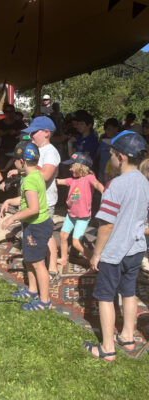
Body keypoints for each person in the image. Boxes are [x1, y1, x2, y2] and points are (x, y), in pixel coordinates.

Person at [83, 131, 149, 362]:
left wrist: (96, 254)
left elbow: (107, 225)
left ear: (121, 157)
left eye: (111, 154)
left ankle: (107, 348)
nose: (110, 158)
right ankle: (128, 336)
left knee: (105, 296)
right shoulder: (145, 182)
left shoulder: (116, 185)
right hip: (136, 248)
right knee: (129, 292)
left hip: (115, 252)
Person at [1, 141, 54, 311]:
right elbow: (25, 200)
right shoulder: (34, 174)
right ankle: (32, 290)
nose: (14, 163)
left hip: (37, 226)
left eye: (15, 160)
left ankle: (44, 301)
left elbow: (33, 208)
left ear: (22, 161)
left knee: (38, 263)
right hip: (33, 225)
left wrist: (13, 218)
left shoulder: (30, 180)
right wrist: (9, 201)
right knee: (29, 259)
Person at [25, 116, 61, 282]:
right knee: (39, 233)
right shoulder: (38, 150)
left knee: (46, 234)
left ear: (46, 133)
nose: (31, 136)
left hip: (45, 200)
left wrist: (28, 166)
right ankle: (38, 260)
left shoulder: (51, 152)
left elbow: (46, 175)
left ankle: (52, 266)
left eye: (34, 132)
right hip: (36, 199)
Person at [56, 153, 104, 267]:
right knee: (63, 236)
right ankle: (63, 258)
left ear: (81, 167)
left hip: (82, 217)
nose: (70, 169)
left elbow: (97, 184)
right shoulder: (72, 180)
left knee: (76, 243)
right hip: (71, 215)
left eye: (72, 166)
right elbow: (58, 181)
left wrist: (105, 193)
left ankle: (93, 261)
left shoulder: (89, 178)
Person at [0, 103, 26, 169]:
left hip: (16, 150)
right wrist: (2, 133)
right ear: (4, 112)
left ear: (13, 112)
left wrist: (16, 132)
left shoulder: (19, 123)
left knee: (14, 170)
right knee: (2, 169)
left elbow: (26, 131)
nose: (8, 113)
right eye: (6, 111)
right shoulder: (0, 123)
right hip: (3, 149)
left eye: (10, 111)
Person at [96, 118, 120, 183]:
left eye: (109, 129)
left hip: (113, 173)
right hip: (102, 172)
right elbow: (98, 155)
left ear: (116, 129)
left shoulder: (120, 143)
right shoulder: (103, 142)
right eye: (106, 129)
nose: (107, 131)